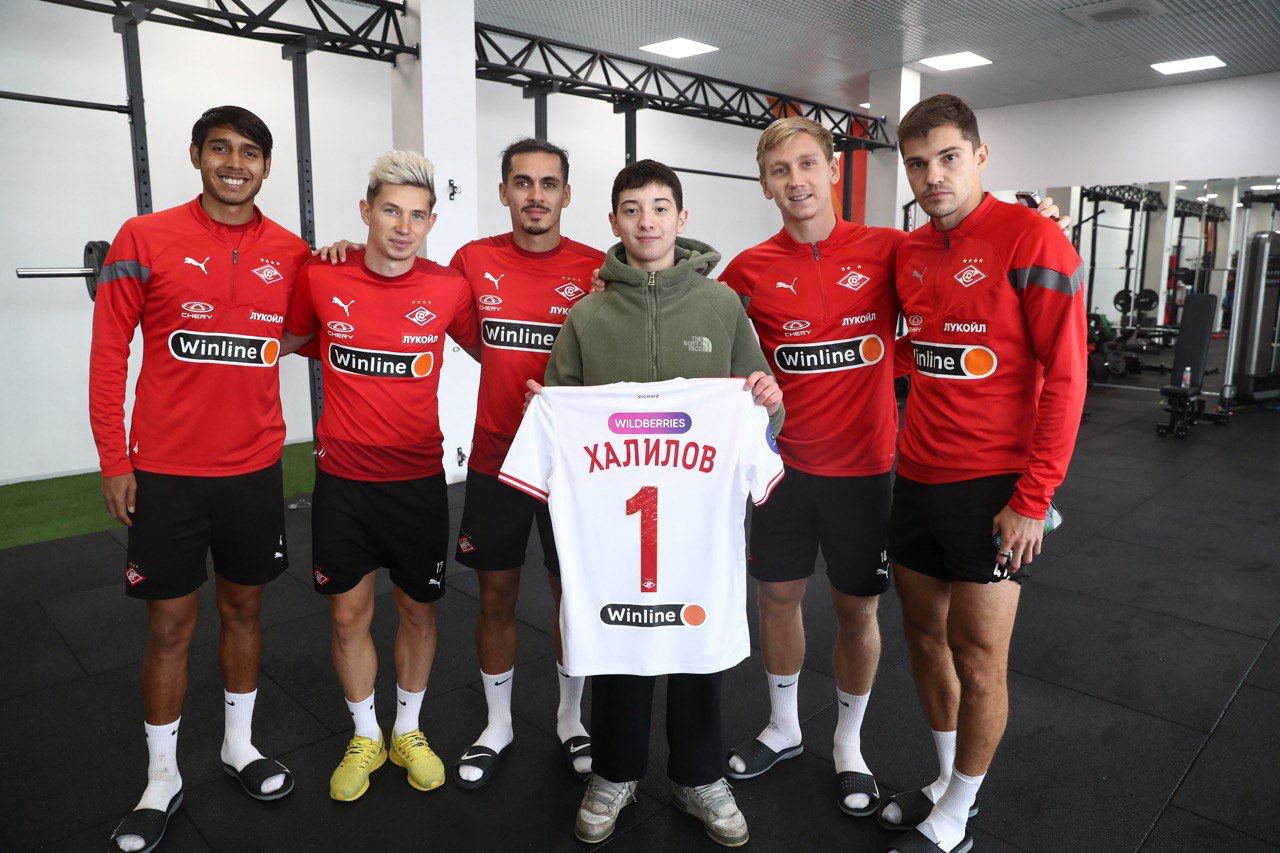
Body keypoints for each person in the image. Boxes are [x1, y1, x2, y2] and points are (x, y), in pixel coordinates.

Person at [316, 139, 604, 787]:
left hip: (577, 467)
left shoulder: (596, 269)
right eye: (522, 182)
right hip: (498, 459)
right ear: (503, 192)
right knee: (495, 597)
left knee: (572, 598)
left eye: (549, 183)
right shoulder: (471, 263)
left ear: (566, 193)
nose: (535, 195)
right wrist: (346, 251)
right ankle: (497, 724)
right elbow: (414, 296)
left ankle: (570, 718)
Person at [536, 159, 783, 846]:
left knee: (697, 643)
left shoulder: (722, 306)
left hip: (699, 520)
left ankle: (699, 774)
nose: (647, 221)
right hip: (614, 523)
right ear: (614, 221)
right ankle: (614, 771)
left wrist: (768, 401)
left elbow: (763, 408)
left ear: (681, 217)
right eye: (632, 208)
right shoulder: (587, 315)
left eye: (660, 207)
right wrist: (547, 410)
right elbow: (561, 404)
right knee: (619, 638)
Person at [90, 106, 313, 852]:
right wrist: (114, 459)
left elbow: (317, 328)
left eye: (250, 152)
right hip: (165, 473)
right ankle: (162, 777)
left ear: (266, 166)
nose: (234, 163)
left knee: (245, 611)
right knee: (169, 627)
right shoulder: (143, 237)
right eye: (220, 148)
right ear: (195, 155)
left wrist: (341, 259)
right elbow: (109, 353)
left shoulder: (292, 252)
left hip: (253, 470)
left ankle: (237, 747)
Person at [880, 95, 1086, 853]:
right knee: (922, 635)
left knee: (977, 655)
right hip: (917, 475)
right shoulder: (909, 251)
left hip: (995, 484)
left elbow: (1069, 379)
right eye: (917, 163)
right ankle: (945, 782)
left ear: (979, 156)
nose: (932, 176)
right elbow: (915, 351)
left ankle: (959, 812)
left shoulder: (1033, 239)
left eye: (948, 157)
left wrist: (1034, 498)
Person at [718, 117, 905, 817]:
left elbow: (957, 285)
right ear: (765, 185)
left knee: (858, 609)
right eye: (780, 170)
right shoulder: (747, 270)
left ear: (832, 170)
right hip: (783, 470)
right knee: (776, 598)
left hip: (863, 472)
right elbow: (695, 325)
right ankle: (785, 726)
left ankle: (849, 743)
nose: (795, 181)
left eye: (806, 165)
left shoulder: (887, 250)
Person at [281, 151, 479, 801]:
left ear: (432, 223)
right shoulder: (321, 276)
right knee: (348, 617)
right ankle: (366, 734)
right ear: (366, 211)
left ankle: (408, 730)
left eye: (417, 215)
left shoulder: (449, 289)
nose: (403, 226)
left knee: (418, 612)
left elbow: (500, 348)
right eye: (391, 210)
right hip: (343, 482)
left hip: (417, 481)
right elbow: (281, 338)